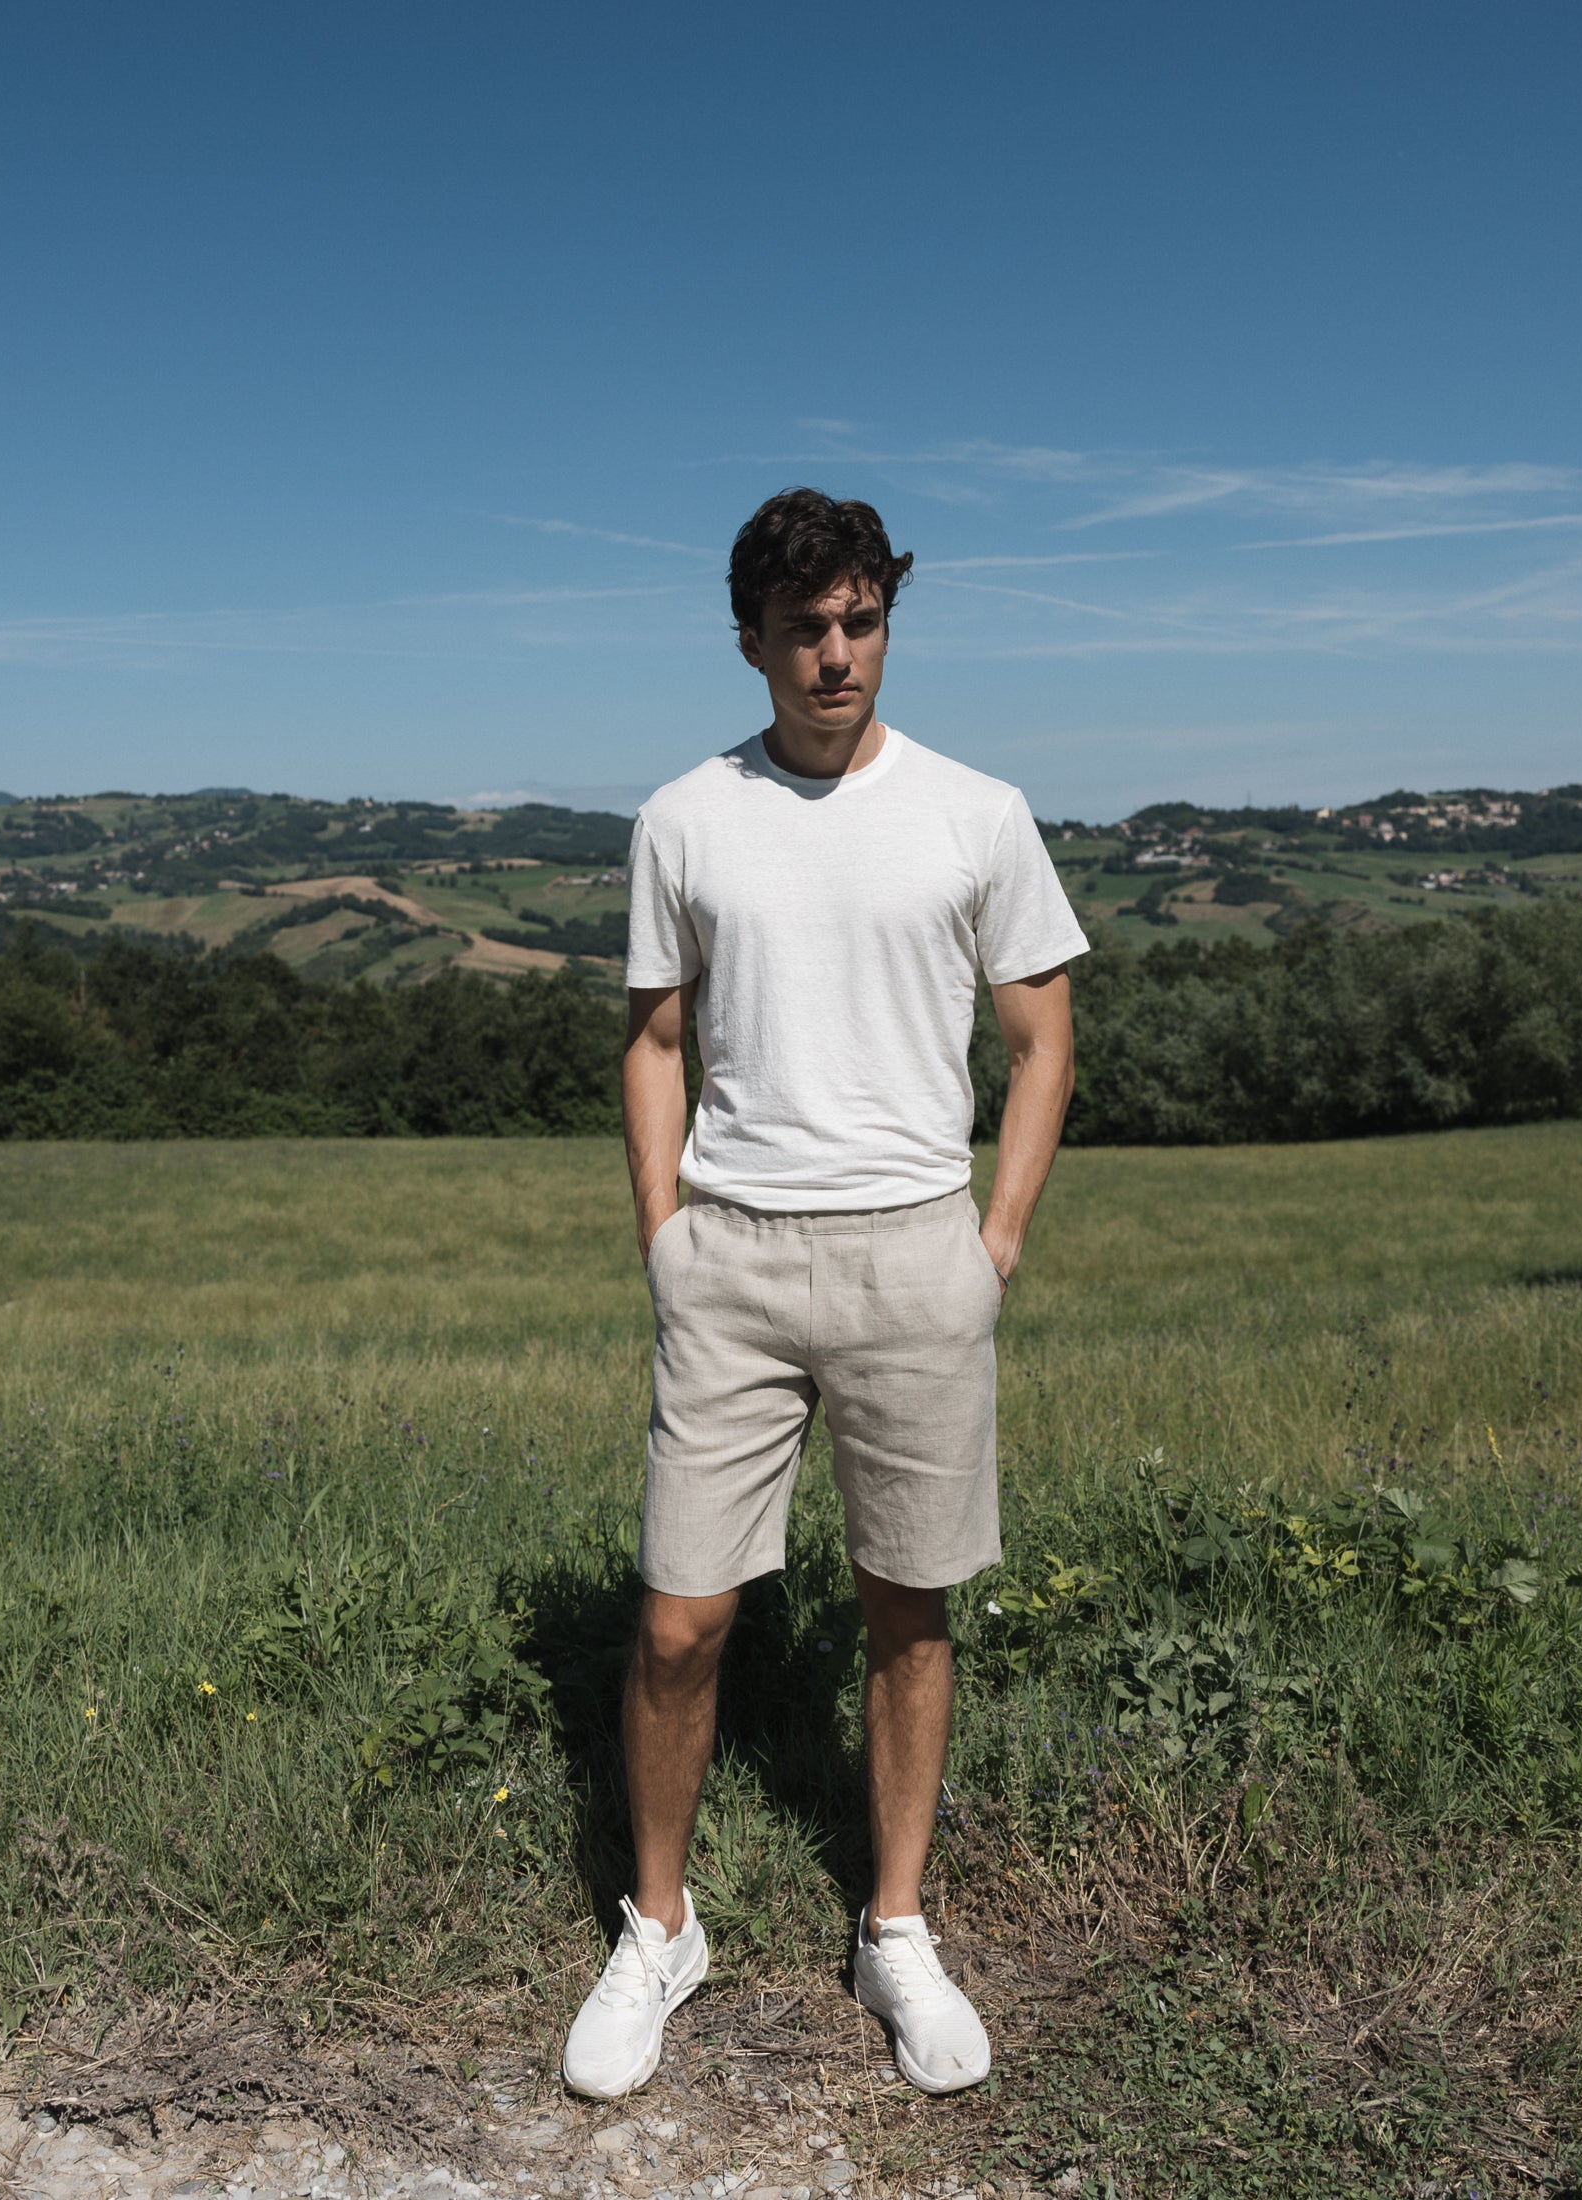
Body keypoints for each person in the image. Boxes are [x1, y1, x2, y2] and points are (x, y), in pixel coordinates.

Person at [561, 487, 1088, 2101]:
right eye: (805, 628)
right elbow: (656, 1039)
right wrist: (664, 1235)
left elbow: (1043, 1039)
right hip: (732, 1257)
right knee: (677, 1618)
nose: (837, 655)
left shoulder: (977, 812)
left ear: (885, 623)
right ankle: (660, 1928)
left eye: (862, 621)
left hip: (916, 1254)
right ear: (752, 642)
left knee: (908, 1608)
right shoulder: (685, 818)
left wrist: (994, 1243)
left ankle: (896, 1927)